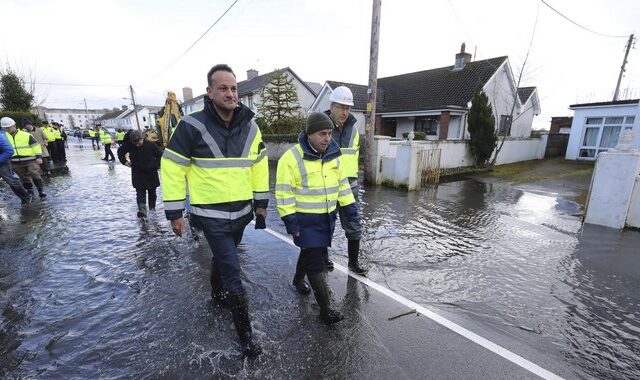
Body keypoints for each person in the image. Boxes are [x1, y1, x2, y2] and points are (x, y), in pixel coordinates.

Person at [160, 64, 268, 357]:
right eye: (223, 88)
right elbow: (171, 169)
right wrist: (175, 213)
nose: (230, 93)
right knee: (233, 270)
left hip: (241, 214)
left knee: (225, 258)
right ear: (209, 92)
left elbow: (258, 167)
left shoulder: (251, 126)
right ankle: (246, 337)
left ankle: (215, 293)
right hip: (211, 216)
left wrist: (261, 205)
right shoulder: (192, 126)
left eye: (233, 88)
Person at [275, 112, 360, 324]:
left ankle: (296, 280)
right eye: (322, 133)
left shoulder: (333, 155)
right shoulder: (291, 159)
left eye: (330, 133)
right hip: (305, 221)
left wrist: (350, 209)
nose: (327, 138)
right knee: (316, 264)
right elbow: (284, 194)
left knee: (313, 251)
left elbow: (342, 185)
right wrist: (291, 221)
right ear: (309, 134)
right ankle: (326, 310)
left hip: (326, 219)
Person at [325, 86, 368, 276]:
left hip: (350, 188)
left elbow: (354, 158)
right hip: (327, 186)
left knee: (354, 223)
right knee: (326, 225)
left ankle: (353, 262)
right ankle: (324, 258)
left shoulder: (354, 131)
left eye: (348, 108)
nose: (344, 112)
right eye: (341, 107)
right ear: (332, 106)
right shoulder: (321, 128)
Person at [118, 130, 162, 218]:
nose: (137, 145)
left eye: (139, 142)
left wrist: (156, 166)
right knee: (140, 192)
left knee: (152, 192)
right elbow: (120, 152)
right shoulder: (129, 145)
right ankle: (142, 211)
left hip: (151, 173)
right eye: (135, 143)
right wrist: (124, 162)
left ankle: (152, 210)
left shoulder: (151, 145)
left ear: (142, 138)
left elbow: (160, 155)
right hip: (138, 173)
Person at [1, 117, 46, 198]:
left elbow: (36, 146)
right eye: (5, 128)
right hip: (15, 161)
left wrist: (39, 157)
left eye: (9, 127)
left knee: (34, 173)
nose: (7, 129)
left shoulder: (26, 135)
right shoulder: (4, 136)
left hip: (30, 160)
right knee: (24, 178)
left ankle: (40, 190)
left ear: (14, 125)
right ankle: (30, 191)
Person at [0, 118, 31, 204]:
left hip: (2, 163)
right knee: (11, 180)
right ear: (9, 127)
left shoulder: (1, 136)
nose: (15, 127)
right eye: (14, 126)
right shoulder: (3, 134)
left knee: (11, 181)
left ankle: (26, 197)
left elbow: (9, 151)